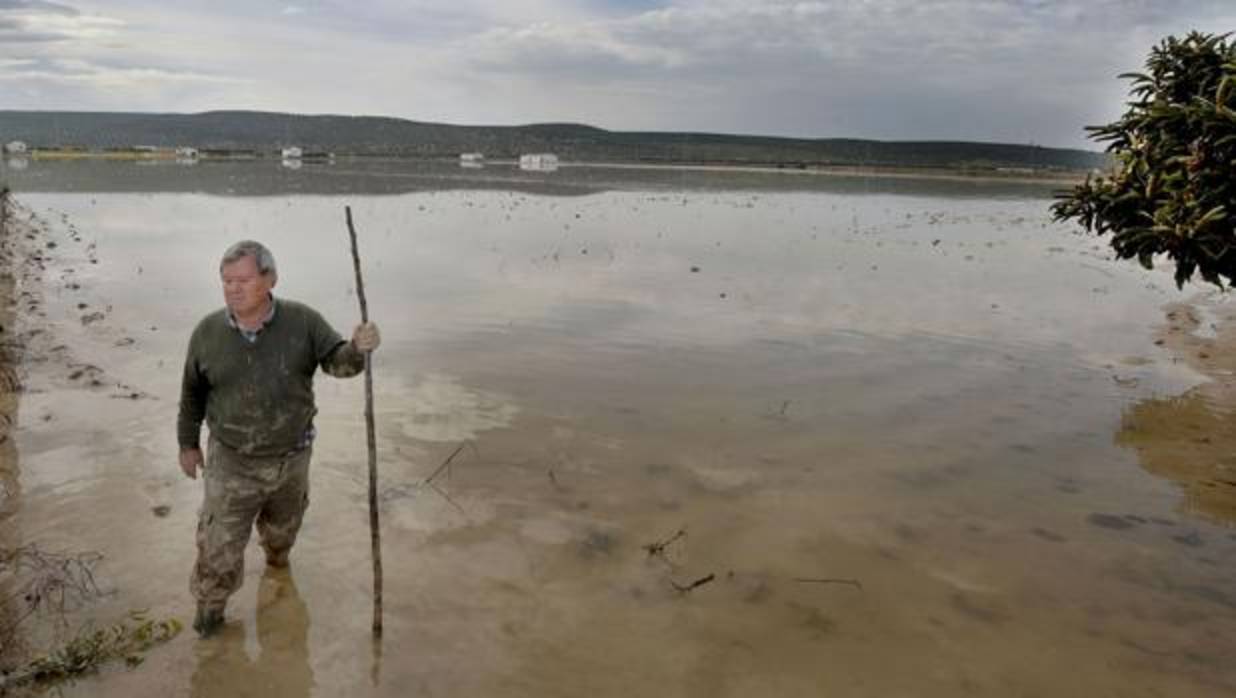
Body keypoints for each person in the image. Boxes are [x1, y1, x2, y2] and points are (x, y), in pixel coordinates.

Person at [177, 240, 380, 637]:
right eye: (226, 281)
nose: (233, 288)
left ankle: (276, 570)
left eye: (243, 279)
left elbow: (339, 365)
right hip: (232, 461)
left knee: (282, 534)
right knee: (217, 551)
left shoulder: (303, 322)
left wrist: (358, 348)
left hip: (292, 458)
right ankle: (209, 626)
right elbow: (192, 392)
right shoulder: (207, 332)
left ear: (270, 278)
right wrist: (187, 444)